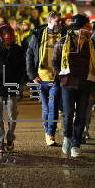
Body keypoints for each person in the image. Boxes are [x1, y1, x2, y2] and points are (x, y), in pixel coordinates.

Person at [52, 14, 95, 158]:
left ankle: (76, 144)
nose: (90, 29)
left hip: (86, 84)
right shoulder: (63, 42)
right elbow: (55, 61)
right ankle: (67, 137)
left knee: (81, 116)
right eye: (87, 26)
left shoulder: (93, 44)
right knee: (68, 114)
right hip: (67, 84)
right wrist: (60, 76)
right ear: (79, 28)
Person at [0, 24, 26, 153]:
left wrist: (20, 82)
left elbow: (23, 67)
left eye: (9, 33)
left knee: (12, 115)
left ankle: (10, 137)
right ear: (0, 35)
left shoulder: (18, 50)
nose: (7, 36)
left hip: (13, 86)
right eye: (4, 33)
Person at [26, 11, 64, 146]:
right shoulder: (38, 35)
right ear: (50, 21)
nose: (60, 23)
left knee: (53, 107)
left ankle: (50, 134)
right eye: (57, 21)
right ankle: (47, 131)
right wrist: (32, 75)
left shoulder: (63, 35)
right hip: (41, 78)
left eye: (60, 21)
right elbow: (30, 54)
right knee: (46, 108)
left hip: (56, 79)